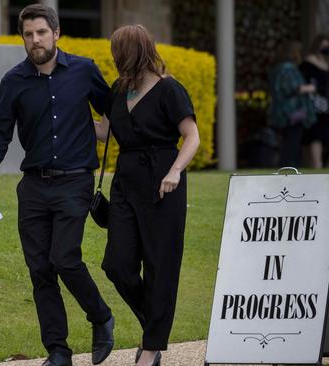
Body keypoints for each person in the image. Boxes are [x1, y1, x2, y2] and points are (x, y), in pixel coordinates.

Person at [0, 4, 114, 366]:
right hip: (33, 187)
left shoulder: (84, 71)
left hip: (74, 182)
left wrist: (105, 134)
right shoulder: (14, 81)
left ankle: (101, 317)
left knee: (65, 258)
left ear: (56, 33)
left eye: (41, 32)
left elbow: (114, 112)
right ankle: (58, 351)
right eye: (28, 34)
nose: (35, 40)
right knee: (40, 270)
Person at [94, 25, 200, 366]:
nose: (115, 61)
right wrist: (72, 105)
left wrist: (175, 171)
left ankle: (151, 349)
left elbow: (192, 137)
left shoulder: (170, 90)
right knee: (116, 263)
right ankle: (153, 324)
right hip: (125, 183)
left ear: (134, 53)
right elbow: (104, 132)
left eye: (119, 55)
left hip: (162, 184)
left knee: (160, 266)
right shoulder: (118, 89)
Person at [268, 40, 316, 167]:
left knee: (287, 143)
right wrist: (310, 88)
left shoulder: (277, 68)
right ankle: (288, 169)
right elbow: (294, 88)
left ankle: (286, 168)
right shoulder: (288, 69)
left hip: (281, 112)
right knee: (292, 145)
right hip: (292, 113)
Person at [300, 35, 329, 168]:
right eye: (323, 45)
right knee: (314, 134)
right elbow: (305, 82)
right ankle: (317, 163)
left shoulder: (328, 63)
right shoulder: (309, 62)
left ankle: (318, 163)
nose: (325, 48)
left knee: (323, 135)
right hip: (313, 103)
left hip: (325, 104)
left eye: (327, 46)